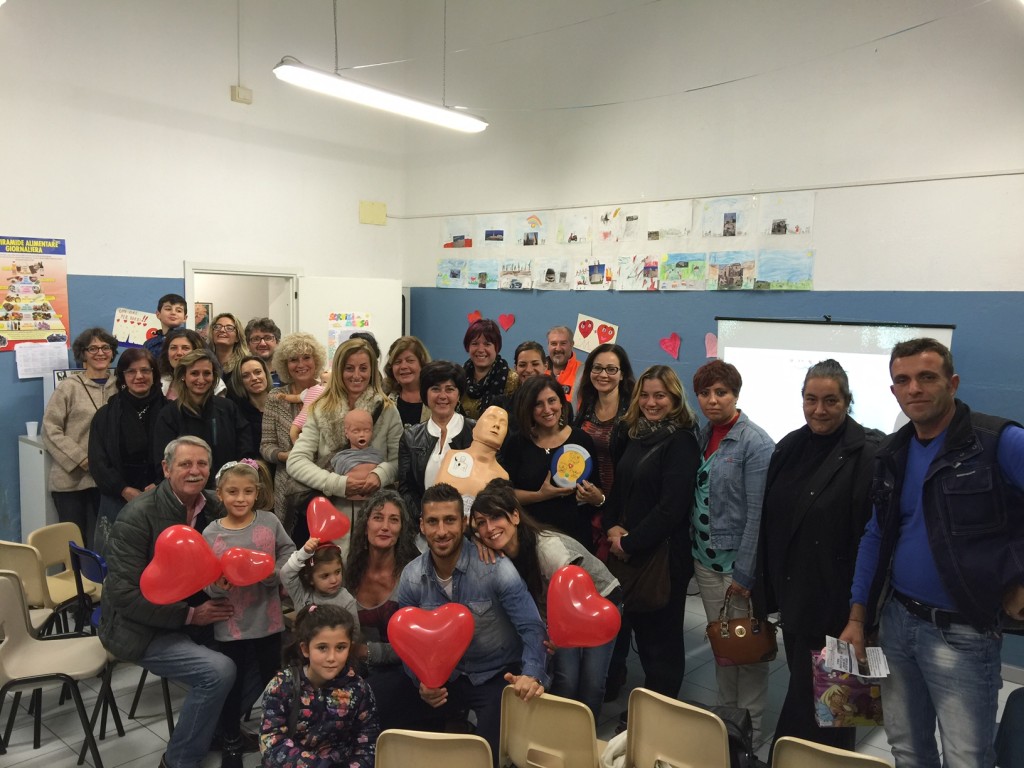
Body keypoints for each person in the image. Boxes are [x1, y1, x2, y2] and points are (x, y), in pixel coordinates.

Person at [839, 338, 1024, 768]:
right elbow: (874, 534)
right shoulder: (892, 453)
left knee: (967, 758)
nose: (914, 389)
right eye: (902, 380)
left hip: (963, 634)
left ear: (952, 383)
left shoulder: (998, 441)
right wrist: (857, 615)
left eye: (926, 377)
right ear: (893, 391)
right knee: (907, 749)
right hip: (897, 624)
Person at [757, 360, 883, 755]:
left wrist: (860, 618)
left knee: (836, 711)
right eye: (811, 399)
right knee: (820, 705)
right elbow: (772, 524)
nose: (819, 409)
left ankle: (795, 760)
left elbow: (874, 540)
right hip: (796, 602)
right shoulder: (790, 446)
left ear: (848, 401)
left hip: (840, 612)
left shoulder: (870, 454)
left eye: (831, 400)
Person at [100, 436, 236, 768]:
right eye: (185, 464)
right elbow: (125, 596)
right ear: (166, 468)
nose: (195, 471)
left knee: (263, 649)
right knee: (219, 670)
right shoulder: (137, 516)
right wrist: (191, 615)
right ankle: (178, 761)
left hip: (196, 615)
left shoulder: (217, 506)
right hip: (140, 628)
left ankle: (219, 729)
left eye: (202, 464)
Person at [395, 483, 548, 763]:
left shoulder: (496, 568)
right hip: (444, 679)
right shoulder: (412, 577)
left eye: (450, 520)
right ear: (422, 526)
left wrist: (532, 673)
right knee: (413, 746)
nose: (441, 531)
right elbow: (405, 641)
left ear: (464, 523)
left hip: (494, 674)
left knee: (486, 755)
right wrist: (420, 682)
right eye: (433, 521)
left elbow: (531, 626)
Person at [470, 478, 621, 719]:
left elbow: (572, 592)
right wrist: (475, 540)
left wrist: (556, 632)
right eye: (481, 523)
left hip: (600, 600)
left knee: (592, 679)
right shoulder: (498, 554)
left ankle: (586, 736)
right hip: (556, 611)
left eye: (496, 517)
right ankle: (560, 730)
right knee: (566, 676)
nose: (489, 528)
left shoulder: (548, 550)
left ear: (515, 517)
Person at [603, 366, 700, 700]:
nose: (651, 402)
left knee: (663, 645)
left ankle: (661, 717)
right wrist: (610, 526)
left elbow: (671, 509)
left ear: (674, 397)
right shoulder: (634, 434)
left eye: (660, 395)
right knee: (643, 637)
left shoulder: (682, 441)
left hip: (663, 557)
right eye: (644, 395)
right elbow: (619, 488)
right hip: (629, 550)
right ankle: (647, 710)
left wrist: (629, 542)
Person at [691, 359, 775, 740]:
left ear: (735, 395)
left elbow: (758, 514)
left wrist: (745, 573)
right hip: (705, 563)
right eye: (705, 393)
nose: (712, 400)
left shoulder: (755, 443)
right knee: (723, 646)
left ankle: (752, 732)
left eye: (720, 392)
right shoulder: (701, 434)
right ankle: (726, 724)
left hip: (736, 568)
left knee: (749, 652)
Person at [202, 460, 294, 768]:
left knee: (274, 682)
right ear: (219, 494)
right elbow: (204, 578)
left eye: (247, 492)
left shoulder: (268, 522)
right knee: (233, 686)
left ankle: (275, 736)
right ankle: (231, 739)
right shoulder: (211, 533)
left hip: (268, 621)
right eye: (232, 492)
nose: (240, 498)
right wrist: (218, 587)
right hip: (231, 625)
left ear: (257, 493)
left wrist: (276, 573)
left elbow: (287, 551)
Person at [287, 338, 403, 524]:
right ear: (339, 370)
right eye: (349, 368)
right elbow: (296, 461)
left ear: (372, 371)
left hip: (376, 514)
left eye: (363, 368)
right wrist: (336, 483)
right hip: (331, 515)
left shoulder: (388, 410)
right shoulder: (320, 409)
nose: (356, 375)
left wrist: (380, 475)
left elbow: (399, 460)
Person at [259, 604, 379, 768]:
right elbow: (272, 741)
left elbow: (368, 743)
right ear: (305, 649)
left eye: (340, 647)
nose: (332, 657)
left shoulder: (359, 689)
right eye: (322, 647)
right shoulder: (281, 686)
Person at [502, 375, 602, 549]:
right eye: (538, 404)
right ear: (528, 408)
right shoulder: (516, 443)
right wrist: (540, 495)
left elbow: (597, 489)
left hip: (576, 538)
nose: (547, 409)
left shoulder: (581, 439)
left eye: (552, 401)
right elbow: (505, 495)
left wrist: (596, 497)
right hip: (532, 538)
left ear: (561, 403)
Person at [42, 327, 118, 548]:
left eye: (105, 347)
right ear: (83, 354)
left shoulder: (121, 387)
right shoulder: (68, 387)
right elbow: (50, 429)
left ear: (112, 352)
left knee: (106, 540)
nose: (100, 353)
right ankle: (76, 583)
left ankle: (102, 583)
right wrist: (83, 459)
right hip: (72, 480)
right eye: (92, 348)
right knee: (74, 543)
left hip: (107, 480)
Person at [88, 348, 166, 556]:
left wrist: (160, 485)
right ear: (122, 376)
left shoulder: (171, 412)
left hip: (162, 496)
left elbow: (180, 457)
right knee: (118, 563)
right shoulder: (105, 415)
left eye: (145, 370)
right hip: (117, 498)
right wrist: (124, 489)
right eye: (131, 371)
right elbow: (98, 461)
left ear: (154, 374)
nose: (139, 376)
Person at [573, 342, 635, 560]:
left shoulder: (632, 415)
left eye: (611, 369)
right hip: (586, 506)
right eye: (597, 368)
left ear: (622, 374)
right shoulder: (585, 407)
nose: (603, 374)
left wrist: (603, 500)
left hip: (620, 512)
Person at [261, 333, 326, 537]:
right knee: (290, 547)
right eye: (293, 359)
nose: (301, 364)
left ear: (316, 360)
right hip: (286, 485)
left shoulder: (329, 394)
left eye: (306, 357)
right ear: (284, 364)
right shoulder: (275, 398)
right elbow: (266, 445)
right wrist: (286, 456)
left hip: (323, 483)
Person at [153, 349, 251, 483]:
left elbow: (245, 449)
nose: (201, 379)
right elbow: (163, 460)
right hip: (186, 492)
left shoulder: (228, 408)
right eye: (194, 373)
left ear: (214, 376)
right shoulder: (169, 414)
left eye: (207, 373)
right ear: (183, 376)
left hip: (226, 489)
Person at [398, 361, 475, 522]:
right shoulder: (410, 437)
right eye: (435, 389)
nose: (442, 396)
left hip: (468, 526)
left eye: (450, 389)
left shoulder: (476, 432)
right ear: (425, 394)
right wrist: (426, 519)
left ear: (458, 394)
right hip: (424, 526)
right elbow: (406, 489)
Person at [433, 405, 510, 511]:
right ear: (476, 426)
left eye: (503, 423)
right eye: (491, 418)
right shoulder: (451, 456)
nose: (497, 425)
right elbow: (437, 498)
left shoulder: (502, 476)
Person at [281, 538, 360, 627]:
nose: (334, 580)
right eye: (325, 576)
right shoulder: (302, 595)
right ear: (310, 579)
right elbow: (285, 574)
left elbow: (354, 632)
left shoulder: (346, 600)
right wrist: (303, 553)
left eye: (337, 572)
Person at [460, 318, 518, 419]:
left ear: (497, 347)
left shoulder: (512, 380)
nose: (481, 350)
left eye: (487, 344)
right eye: (475, 343)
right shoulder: (458, 376)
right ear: (468, 347)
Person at [329, 410, 384, 501]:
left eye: (366, 430)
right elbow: (337, 482)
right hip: (347, 504)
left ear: (372, 431)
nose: (362, 435)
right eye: (356, 431)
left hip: (374, 503)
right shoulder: (342, 458)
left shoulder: (378, 456)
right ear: (347, 433)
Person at [158, 328, 225, 398]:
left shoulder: (214, 384)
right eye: (173, 348)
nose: (179, 353)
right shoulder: (159, 380)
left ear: (197, 351)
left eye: (185, 348)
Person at [227, 354, 272, 458]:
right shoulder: (237, 413)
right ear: (240, 382)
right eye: (246, 376)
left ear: (266, 374)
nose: (254, 378)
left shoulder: (282, 404)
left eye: (258, 372)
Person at [384, 335, 431, 428]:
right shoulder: (384, 402)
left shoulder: (436, 399)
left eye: (410, 360)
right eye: (397, 362)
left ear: (422, 364)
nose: (403, 366)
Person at [143, 293, 187, 359]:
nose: (173, 313)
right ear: (158, 314)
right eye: (168, 309)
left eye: (178, 310)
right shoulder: (149, 344)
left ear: (185, 318)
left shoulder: (191, 339)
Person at [547, 325, 581, 405]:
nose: (558, 348)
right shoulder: (539, 371)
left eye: (563, 343)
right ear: (548, 345)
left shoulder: (584, 372)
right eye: (553, 344)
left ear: (572, 344)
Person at [209, 312, 249, 379]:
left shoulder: (244, 365)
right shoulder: (205, 362)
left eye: (229, 328)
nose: (222, 330)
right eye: (217, 327)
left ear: (237, 337)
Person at [244, 317, 281, 386]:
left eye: (268, 338)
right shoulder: (240, 377)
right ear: (248, 345)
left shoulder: (289, 375)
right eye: (256, 339)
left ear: (277, 342)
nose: (262, 343)